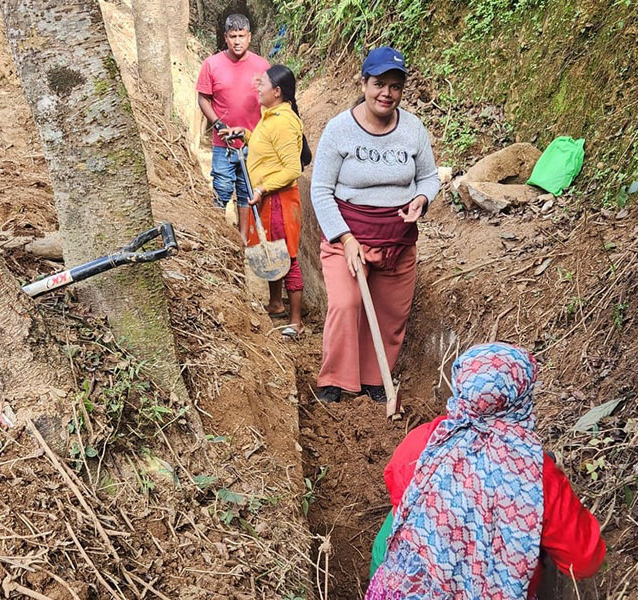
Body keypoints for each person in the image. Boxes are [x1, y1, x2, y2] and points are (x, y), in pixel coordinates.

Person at [366, 342, 606, 600]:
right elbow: (583, 561)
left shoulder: (426, 441)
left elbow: (396, 485)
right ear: (521, 398)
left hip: (400, 587)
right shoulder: (535, 476)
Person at [310, 46, 440, 404]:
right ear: (364, 82)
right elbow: (320, 191)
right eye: (379, 83)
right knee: (346, 304)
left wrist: (421, 199)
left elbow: (429, 177)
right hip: (348, 239)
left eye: (395, 86)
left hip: (398, 242)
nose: (387, 93)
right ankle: (334, 379)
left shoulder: (413, 129)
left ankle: (375, 377)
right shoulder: (339, 129)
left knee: (389, 314)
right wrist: (346, 238)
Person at [223, 65, 312, 339]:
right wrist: (245, 135)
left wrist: (263, 188)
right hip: (268, 197)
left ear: (277, 91)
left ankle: (296, 322)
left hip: (279, 199)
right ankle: (276, 304)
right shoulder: (271, 116)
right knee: (270, 248)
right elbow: (267, 148)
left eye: (263, 85)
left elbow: (292, 169)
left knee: (287, 255)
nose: (258, 88)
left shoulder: (284, 122)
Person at [196, 14, 270, 240]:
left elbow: (270, 100)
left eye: (242, 36)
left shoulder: (262, 66)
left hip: (254, 143)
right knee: (222, 188)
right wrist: (217, 123)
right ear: (225, 38)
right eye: (232, 36)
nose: (237, 41)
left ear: (249, 37)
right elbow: (203, 98)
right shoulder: (212, 64)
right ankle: (217, 239)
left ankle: (243, 238)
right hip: (224, 144)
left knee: (247, 191)